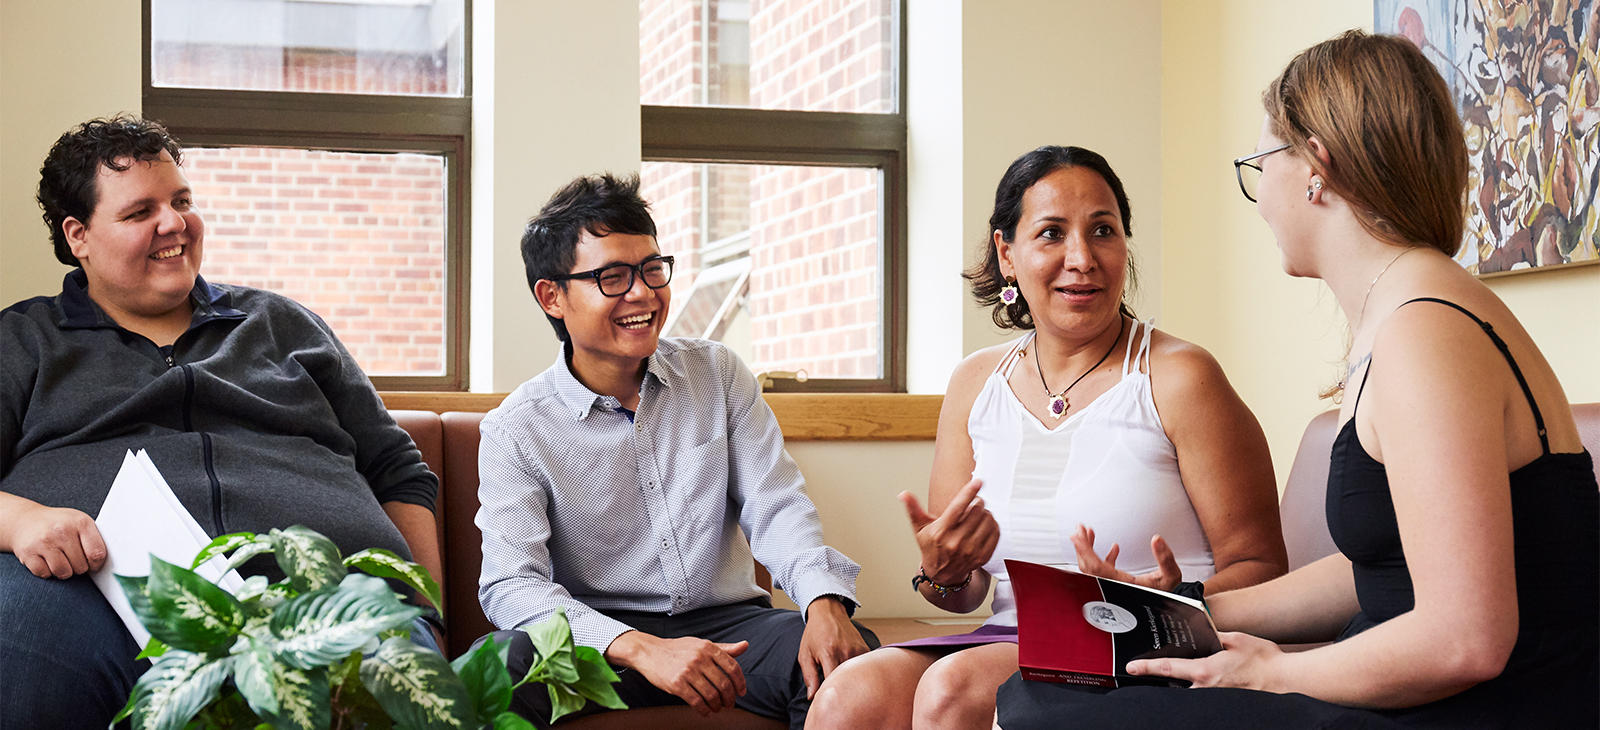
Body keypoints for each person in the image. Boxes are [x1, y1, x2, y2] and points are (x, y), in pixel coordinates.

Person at [996, 30, 1600, 729]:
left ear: (1317, 165)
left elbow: (1466, 640)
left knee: (1049, 712)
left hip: (1491, 709)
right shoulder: (1410, 311)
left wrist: (1273, 673)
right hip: (1432, 687)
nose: (1259, 201)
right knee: (1052, 689)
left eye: (1262, 163)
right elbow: (1385, 571)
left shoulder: (1424, 334)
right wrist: (1186, 610)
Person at [806, 146, 1287, 730]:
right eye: (1052, 234)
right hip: (1011, 638)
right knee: (846, 699)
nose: (1081, 258)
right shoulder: (976, 382)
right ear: (1006, 254)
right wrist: (946, 571)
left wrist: (1175, 596)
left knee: (952, 691)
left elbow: (1262, 565)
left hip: (1142, 648)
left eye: (1103, 231)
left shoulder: (1181, 376)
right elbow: (965, 594)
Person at [0, 115, 444, 726]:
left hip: (323, 597)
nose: (174, 224)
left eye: (182, 202)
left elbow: (399, 472)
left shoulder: (282, 323)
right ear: (78, 236)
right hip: (94, 602)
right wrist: (20, 519)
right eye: (140, 213)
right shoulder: (23, 341)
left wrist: (423, 609)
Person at [475, 172, 878, 729]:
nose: (641, 293)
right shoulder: (515, 430)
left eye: (651, 269)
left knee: (851, 662)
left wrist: (822, 602)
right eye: (611, 277)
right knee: (502, 666)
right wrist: (639, 646)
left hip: (731, 627)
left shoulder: (717, 373)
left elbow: (776, 504)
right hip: (599, 642)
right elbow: (510, 584)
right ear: (553, 296)